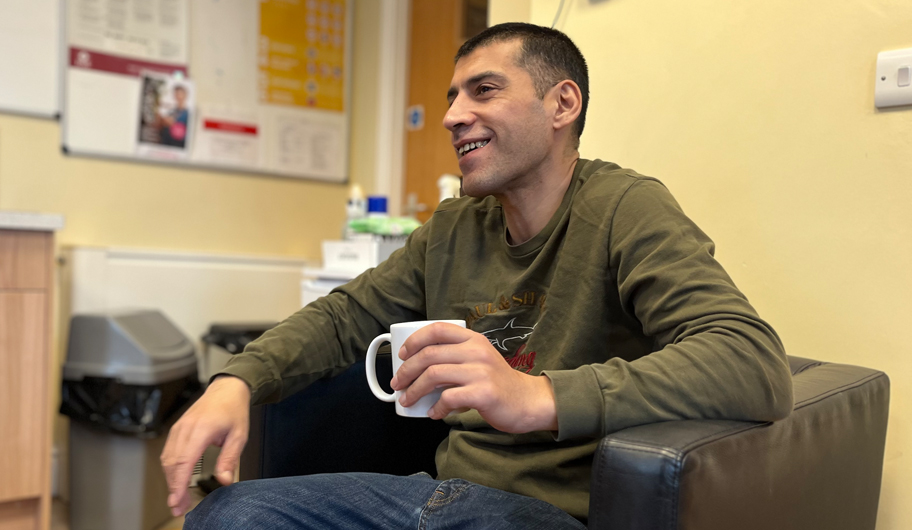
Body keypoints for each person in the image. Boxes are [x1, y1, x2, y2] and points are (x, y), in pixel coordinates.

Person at [162, 22, 793, 529]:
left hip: (546, 512)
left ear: (561, 104)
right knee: (230, 514)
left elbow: (750, 360)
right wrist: (237, 381)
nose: (453, 115)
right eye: (452, 98)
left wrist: (536, 396)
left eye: (483, 91)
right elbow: (343, 316)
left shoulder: (624, 207)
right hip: (431, 495)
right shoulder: (455, 226)